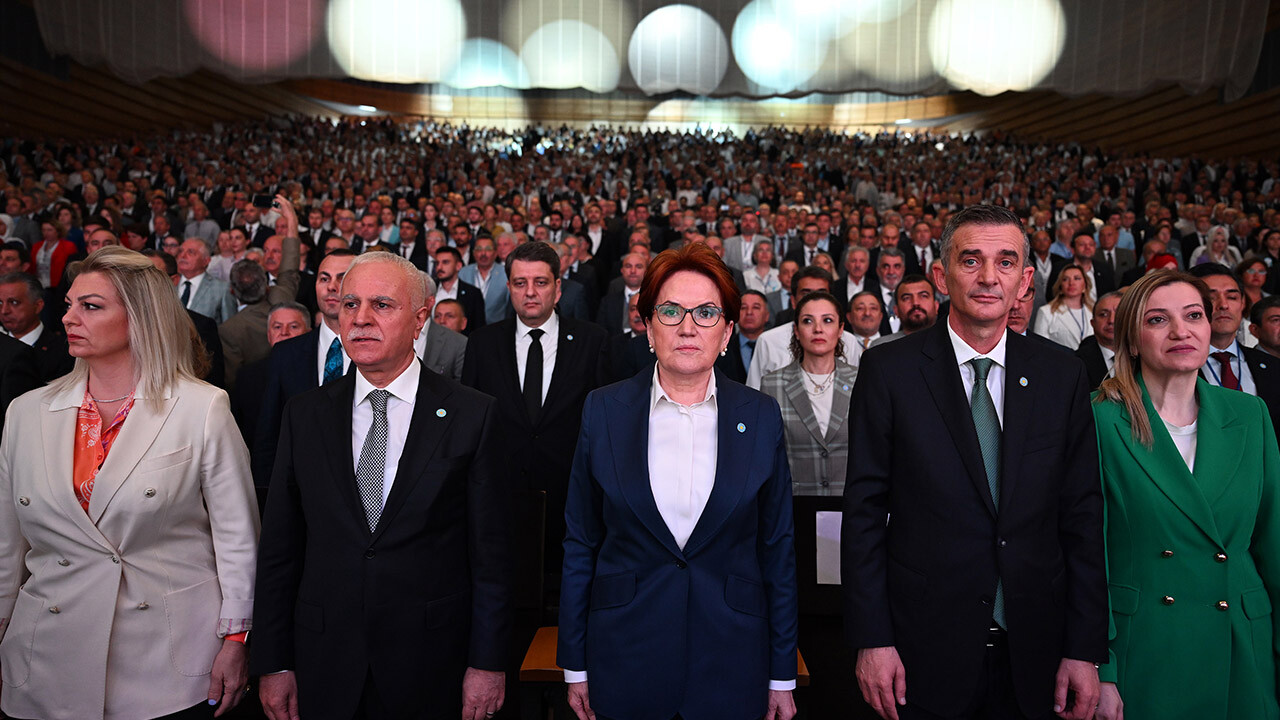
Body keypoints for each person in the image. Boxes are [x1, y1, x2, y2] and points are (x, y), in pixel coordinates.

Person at [844, 205, 1105, 720]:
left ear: (1026, 279)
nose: (989, 277)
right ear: (941, 275)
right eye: (971, 260)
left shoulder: (1062, 375)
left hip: (1038, 650)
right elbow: (864, 515)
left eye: (1006, 262)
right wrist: (872, 638)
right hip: (923, 649)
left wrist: (1084, 646)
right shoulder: (888, 372)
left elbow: (1081, 515)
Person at [0, 246, 259, 719]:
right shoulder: (25, 412)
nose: (70, 317)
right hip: (47, 653)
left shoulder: (202, 408)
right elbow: (6, 546)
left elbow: (238, 539)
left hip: (164, 656)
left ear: (140, 316)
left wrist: (237, 639)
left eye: (91, 306)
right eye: (70, 305)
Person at [252, 252, 511, 720]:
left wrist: (488, 663)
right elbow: (279, 550)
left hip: (432, 663)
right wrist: (273, 662)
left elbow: (492, 557)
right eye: (350, 304)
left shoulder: (473, 414)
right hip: (323, 661)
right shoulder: (305, 414)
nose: (361, 319)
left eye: (382, 305)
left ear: (419, 319)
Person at [559, 242, 798, 720]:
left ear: (728, 331)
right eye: (670, 311)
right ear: (647, 327)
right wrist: (574, 665)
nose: (688, 327)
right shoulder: (603, 410)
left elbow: (778, 550)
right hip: (625, 655)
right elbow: (581, 542)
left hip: (732, 660)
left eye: (706, 313)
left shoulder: (762, 417)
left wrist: (781, 674)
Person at [1091, 269, 1280, 720]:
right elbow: (1085, 555)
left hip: (1241, 641)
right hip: (1148, 647)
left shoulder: (1250, 413)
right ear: (1132, 340)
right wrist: (1102, 667)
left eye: (1193, 315)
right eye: (1158, 320)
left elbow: (1274, 545)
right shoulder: (1098, 421)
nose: (1181, 330)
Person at [461, 240, 608, 606]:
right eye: (520, 282)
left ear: (558, 288)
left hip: (571, 502)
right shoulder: (481, 344)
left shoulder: (593, 342)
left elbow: (605, 427)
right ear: (507, 286)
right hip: (501, 501)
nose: (530, 292)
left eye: (541, 282)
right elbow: (469, 426)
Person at [251, 249, 356, 488]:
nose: (332, 286)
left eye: (343, 278)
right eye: (324, 278)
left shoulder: (379, 352)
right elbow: (269, 432)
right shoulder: (286, 353)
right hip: (299, 488)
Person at [760, 291, 857, 496]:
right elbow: (767, 456)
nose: (818, 329)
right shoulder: (772, 384)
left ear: (840, 330)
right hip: (794, 507)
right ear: (796, 330)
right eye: (808, 321)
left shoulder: (862, 380)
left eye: (827, 320)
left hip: (851, 505)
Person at [1189, 263, 1280, 438]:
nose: (1223, 305)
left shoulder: (1273, 367)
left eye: (1232, 297)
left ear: (1243, 303)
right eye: (1211, 297)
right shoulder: (1173, 369)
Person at [0, 271, 75, 382]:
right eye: (0, 303)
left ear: (38, 306)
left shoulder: (65, 352)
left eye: (14, 302)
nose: (4, 310)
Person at [176, 238, 237, 323]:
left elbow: (229, 328)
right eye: (180, 251)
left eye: (191, 252)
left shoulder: (222, 289)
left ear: (206, 261)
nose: (182, 256)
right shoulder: (168, 284)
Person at [1033, 266, 1094, 350]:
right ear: (1060, 286)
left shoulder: (1094, 311)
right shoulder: (1046, 312)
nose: (1071, 283)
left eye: (1077, 278)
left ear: (1085, 285)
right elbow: (1039, 347)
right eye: (1065, 279)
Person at [870, 274, 939, 346]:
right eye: (907, 298)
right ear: (896, 310)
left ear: (936, 306)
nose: (915, 303)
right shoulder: (880, 347)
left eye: (923, 296)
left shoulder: (949, 341)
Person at [1074, 291, 1122, 389]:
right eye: (1103, 314)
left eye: (1119, 313)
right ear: (1093, 323)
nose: (1111, 320)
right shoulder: (1077, 362)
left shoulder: (1144, 357)